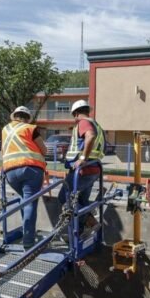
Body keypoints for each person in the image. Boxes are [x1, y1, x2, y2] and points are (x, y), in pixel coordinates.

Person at [1, 106, 48, 249]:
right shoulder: (30, 128)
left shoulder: (5, 129)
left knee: (24, 200)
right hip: (30, 169)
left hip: (10, 172)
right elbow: (44, 149)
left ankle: (25, 232)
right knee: (30, 203)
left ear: (14, 116)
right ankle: (28, 242)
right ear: (28, 118)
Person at [59, 99, 105, 231]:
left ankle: (91, 221)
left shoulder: (83, 122)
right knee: (81, 201)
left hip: (82, 171)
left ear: (76, 113)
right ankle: (79, 233)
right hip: (93, 169)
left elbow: (90, 136)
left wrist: (83, 158)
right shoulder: (96, 124)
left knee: (64, 197)